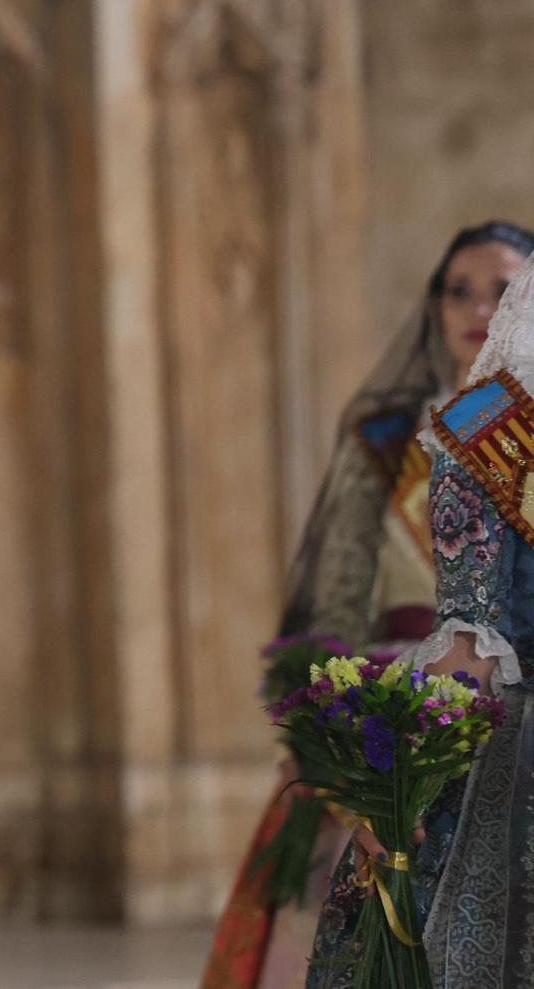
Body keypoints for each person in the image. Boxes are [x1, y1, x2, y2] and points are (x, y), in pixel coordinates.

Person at [203, 221, 533, 988]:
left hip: (478, 725)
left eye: (501, 289)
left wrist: (398, 776)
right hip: (413, 687)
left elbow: (473, 636)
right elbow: (343, 590)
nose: (479, 307)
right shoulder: (395, 436)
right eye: (459, 290)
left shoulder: (486, 429)